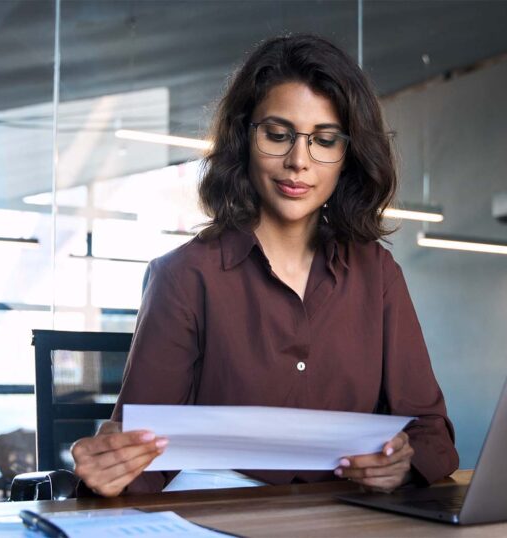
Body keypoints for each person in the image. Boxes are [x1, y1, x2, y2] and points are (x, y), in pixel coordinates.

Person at [70, 34, 459, 497]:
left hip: (348, 518)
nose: (299, 162)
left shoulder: (378, 275)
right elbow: (140, 457)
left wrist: (402, 464)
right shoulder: (184, 276)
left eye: (325, 140)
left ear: (347, 157)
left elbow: (432, 433)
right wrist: (109, 469)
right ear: (244, 138)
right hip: (220, 511)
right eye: (278, 135)